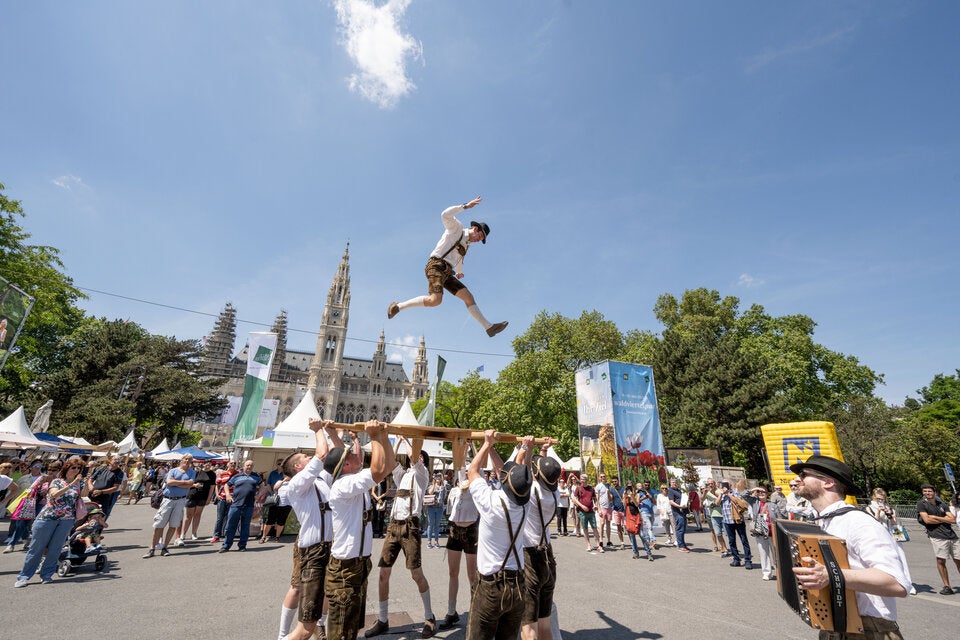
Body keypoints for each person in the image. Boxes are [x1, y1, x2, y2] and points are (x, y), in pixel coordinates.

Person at [791, 455, 910, 639]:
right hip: (835, 626)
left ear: (828, 483)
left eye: (804, 474)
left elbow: (896, 583)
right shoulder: (823, 521)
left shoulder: (859, 522)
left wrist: (830, 575)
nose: (796, 479)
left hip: (869, 628)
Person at [387, 196, 508, 338]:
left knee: (468, 296)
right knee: (435, 300)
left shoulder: (467, 245)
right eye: (479, 236)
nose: (478, 240)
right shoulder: (457, 229)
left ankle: (489, 328)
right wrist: (465, 207)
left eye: (481, 239)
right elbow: (444, 214)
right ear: (475, 229)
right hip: (436, 265)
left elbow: (460, 260)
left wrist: (460, 272)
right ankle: (398, 307)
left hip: (447, 272)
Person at [325, 419, 396, 640]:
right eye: (352, 455)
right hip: (345, 566)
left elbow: (388, 466)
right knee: (341, 630)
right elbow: (377, 470)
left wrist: (383, 436)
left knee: (352, 626)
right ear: (345, 465)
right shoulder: (344, 484)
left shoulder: (351, 480)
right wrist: (374, 436)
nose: (358, 455)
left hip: (358, 562)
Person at [365, 438, 435, 638]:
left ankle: (429, 617)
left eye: (419, 455)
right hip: (393, 526)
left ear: (422, 460)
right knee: (383, 574)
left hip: (410, 527)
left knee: (416, 574)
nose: (415, 456)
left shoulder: (422, 475)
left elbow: (413, 457)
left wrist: (407, 439)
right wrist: (394, 440)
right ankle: (383, 619)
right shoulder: (402, 475)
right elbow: (390, 460)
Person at [466, 429, 532, 640]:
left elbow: (472, 471)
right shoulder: (525, 504)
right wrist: (526, 449)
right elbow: (521, 476)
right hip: (518, 585)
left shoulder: (491, 502)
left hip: (492, 585)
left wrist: (486, 444)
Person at [280, 418, 336, 640]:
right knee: (305, 610)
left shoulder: (321, 480)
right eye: (305, 457)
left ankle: (317, 627)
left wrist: (331, 432)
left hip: (329, 545)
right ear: (298, 467)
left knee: (326, 594)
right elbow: (322, 454)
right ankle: (284, 634)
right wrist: (318, 430)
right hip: (312, 548)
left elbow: (333, 454)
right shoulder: (296, 484)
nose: (310, 456)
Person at [14, 457, 83, 587]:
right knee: (36, 548)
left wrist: (84, 482)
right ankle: (24, 576)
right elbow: (53, 495)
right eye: (74, 467)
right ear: (67, 468)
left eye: (79, 468)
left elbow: (82, 497)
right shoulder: (57, 481)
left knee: (55, 549)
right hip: (48, 517)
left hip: (67, 519)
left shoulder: (78, 483)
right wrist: (72, 483)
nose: (77, 470)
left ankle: (47, 574)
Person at [518, 438, 559, 640]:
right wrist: (543, 452)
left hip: (531, 558)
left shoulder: (532, 492)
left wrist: (527, 448)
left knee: (528, 628)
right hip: (548, 558)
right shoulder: (554, 493)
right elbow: (544, 474)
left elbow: (518, 475)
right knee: (544, 625)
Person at [440, 463, 479, 631]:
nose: (467, 472)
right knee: (452, 572)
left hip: (471, 530)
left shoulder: (477, 484)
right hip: (455, 529)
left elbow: (479, 465)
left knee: (472, 575)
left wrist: (474, 447)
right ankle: (451, 612)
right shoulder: (458, 486)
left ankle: (476, 613)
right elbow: (460, 461)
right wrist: (464, 445)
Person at [144, 454, 196, 558]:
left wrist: (177, 483)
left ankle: (165, 547)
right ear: (181, 460)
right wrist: (184, 483)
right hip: (168, 499)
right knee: (159, 524)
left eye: (190, 460)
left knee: (173, 525)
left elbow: (190, 484)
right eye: (186, 459)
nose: (187, 461)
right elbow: (169, 482)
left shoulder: (192, 472)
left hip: (180, 500)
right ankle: (152, 548)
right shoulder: (173, 470)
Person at [916, 483, 960, 595]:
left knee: (958, 560)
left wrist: (935, 517)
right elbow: (927, 521)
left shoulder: (942, 504)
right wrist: (944, 519)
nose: (927, 493)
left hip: (951, 535)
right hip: (937, 536)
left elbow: (953, 520)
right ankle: (947, 586)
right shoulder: (921, 504)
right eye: (925, 491)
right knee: (941, 561)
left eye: (929, 491)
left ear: (934, 492)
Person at [219, 459, 262, 553]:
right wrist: (228, 495)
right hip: (236, 505)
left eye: (251, 465)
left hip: (249, 505)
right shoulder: (237, 476)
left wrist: (259, 495)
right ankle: (226, 546)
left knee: (245, 527)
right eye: (247, 465)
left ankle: (242, 545)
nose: (249, 467)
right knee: (230, 526)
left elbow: (262, 485)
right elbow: (226, 485)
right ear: (244, 466)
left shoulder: (256, 477)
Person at [747, 486, 783, 581]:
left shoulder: (773, 505)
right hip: (760, 532)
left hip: (772, 532)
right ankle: (766, 572)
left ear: (767, 494)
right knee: (763, 553)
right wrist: (754, 489)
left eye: (764, 492)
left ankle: (779, 572)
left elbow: (780, 518)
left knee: (776, 553)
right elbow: (744, 495)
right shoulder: (755, 503)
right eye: (760, 492)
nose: (762, 493)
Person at [176, 460, 216, 544]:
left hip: (203, 496)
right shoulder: (196, 472)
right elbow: (189, 482)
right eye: (206, 463)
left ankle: (194, 533)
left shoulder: (212, 474)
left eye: (210, 464)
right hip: (192, 494)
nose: (208, 465)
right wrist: (194, 485)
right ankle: (183, 533)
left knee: (198, 515)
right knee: (188, 515)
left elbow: (212, 487)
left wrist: (209, 498)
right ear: (203, 464)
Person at [718, 481, 752, 569]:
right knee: (731, 541)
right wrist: (721, 494)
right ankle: (736, 559)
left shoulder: (735, 493)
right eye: (723, 485)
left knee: (744, 540)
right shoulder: (722, 495)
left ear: (730, 486)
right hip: (727, 521)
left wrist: (728, 493)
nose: (724, 486)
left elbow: (738, 502)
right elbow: (717, 503)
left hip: (738, 520)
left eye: (726, 485)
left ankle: (748, 560)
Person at [571, 473, 602, 553]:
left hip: (591, 512)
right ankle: (588, 545)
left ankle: (598, 545)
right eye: (581, 479)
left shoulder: (591, 488)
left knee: (595, 528)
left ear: (586, 480)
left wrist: (596, 506)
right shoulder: (578, 488)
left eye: (584, 479)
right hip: (582, 512)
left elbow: (595, 499)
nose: (582, 480)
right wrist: (582, 506)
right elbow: (574, 499)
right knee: (585, 529)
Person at [86, 456, 124, 520]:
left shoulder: (119, 473)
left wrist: (101, 492)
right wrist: (91, 487)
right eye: (115, 460)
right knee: (86, 514)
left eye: (118, 462)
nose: (116, 462)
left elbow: (115, 487)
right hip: (92, 495)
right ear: (111, 460)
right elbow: (91, 479)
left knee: (99, 516)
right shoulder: (102, 468)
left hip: (104, 498)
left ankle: (97, 529)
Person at [211, 460, 239, 543]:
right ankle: (216, 535)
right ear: (227, 464)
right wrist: (216, 494)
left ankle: (227, 535)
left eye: (234, 463)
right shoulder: (223, 474)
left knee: (229, 517)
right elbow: (217, 484)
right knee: (220, 518)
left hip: (233, 499)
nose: (233, 465)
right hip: (222, 498)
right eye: (231, 463)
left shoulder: (238, 474)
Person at [701, 479, 728, 555]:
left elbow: (720, 499)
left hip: (723, 514)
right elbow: (702, 500)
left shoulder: (720, 491)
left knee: (727, 533)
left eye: (712, 483)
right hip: (713, 515)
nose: (710, 485)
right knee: (718, 533)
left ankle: (732, 548)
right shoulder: (707, 492)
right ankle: (724, 548)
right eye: (709, 483)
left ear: (715, 483)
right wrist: (704, 493)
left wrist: (715, 492)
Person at [666, 478, 690, 553]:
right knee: (680, 529)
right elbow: (671, 502)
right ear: (670, 483)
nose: (674, 483)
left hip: (682, 511)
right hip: (677, 512)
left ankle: (683, 545)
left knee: (683, 529)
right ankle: (681, 546)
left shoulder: (679, 491)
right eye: (672, 482)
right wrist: (679, 506)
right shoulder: (670, 490)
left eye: (675, 482)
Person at [424, 474, 446, 549]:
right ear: (434, 479)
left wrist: (443, 486)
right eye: (436, 477)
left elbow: (444, 497)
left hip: (439, 508)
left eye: (439, 477)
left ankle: (436, 541)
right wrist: (434, 484)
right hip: (431, 507)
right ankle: (429, 541)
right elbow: (430, 493)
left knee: (437, 525)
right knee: (430, 524)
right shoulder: (431, 486)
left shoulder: (443, 487)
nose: (438, 478)